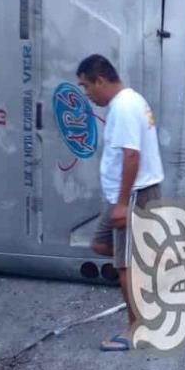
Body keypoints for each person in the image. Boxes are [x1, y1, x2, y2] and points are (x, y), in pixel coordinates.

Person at [76, 54, 164, 351]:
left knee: (125, 266)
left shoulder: (125, 107)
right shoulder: (128, 102)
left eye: (86, 86)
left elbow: (131, 155)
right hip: (124, 196)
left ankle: (136, 329)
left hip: (133, 196)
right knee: (101, 245)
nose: (87, 94)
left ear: (101, 80)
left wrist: (123, 203)